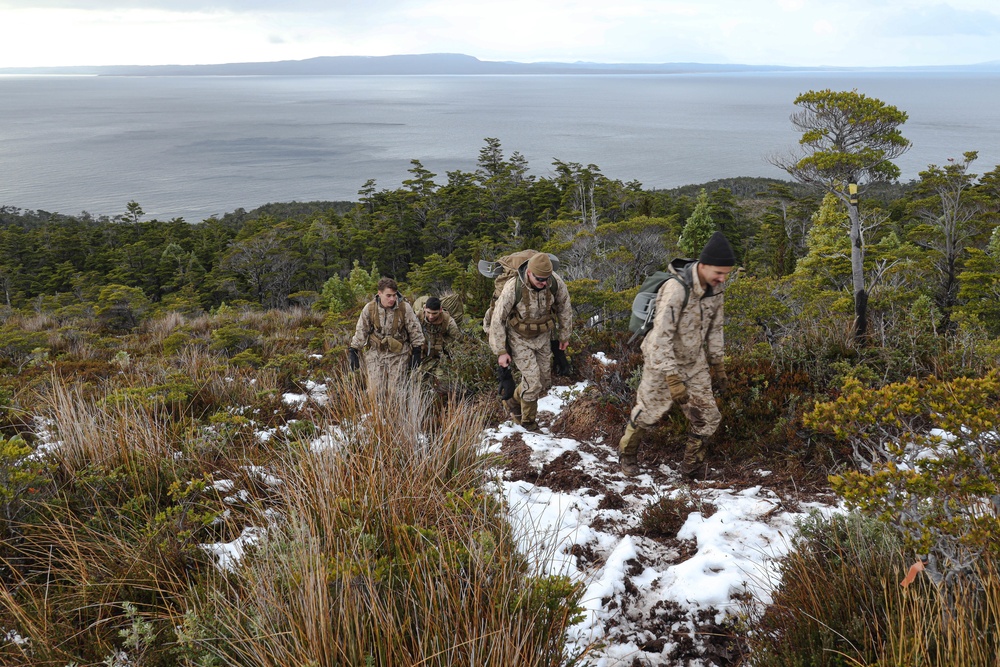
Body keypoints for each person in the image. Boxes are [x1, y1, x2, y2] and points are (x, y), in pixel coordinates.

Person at [618, 231, 736, 480]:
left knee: (708, 417)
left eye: (727, 273)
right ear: (704, 266)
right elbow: (660, 338)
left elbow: (716, 329)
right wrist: (672, 379)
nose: (723, 279)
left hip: (694, 362)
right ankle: (627, 455)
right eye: (719, 273)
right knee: (649, 413)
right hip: (661, 362)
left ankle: (690, 469)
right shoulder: (676, 289)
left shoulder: (715, 291)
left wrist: (718, 365)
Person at [488, 252, 573, 431]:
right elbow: (498, 319)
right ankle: (529, 423)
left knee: (543, 381)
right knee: (533, 382)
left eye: (547, 279)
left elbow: (564, 307)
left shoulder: (554, 283)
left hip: (542, 336)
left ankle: (513, 400)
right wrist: (501, 351)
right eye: (540, 279)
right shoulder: (513, 288)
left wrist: (564, 336)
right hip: (519, 338)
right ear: (529, 273)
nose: (544, 283)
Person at [348, 277, 425, 392]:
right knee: (375, 391)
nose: (392, 299)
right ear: (379, 293)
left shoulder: (404, 308)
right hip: (376, 354)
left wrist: (416, 352)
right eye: (388, 295)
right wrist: (354, 350)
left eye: (394, 295)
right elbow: (361, 330)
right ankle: (376, 410)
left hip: (399, 354)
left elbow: (415, 330)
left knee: (396, 392)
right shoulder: (370, 309)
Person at [417, 296, 462, 384]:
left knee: (442, 381)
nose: (431, 316)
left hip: (441, 357)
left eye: (434, 313)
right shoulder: (418, 317)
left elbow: (458, 339)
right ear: (424, 308)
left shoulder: (448, 321)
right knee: (417, 379)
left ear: (440, 310)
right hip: (424, 356)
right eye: (428, 312)